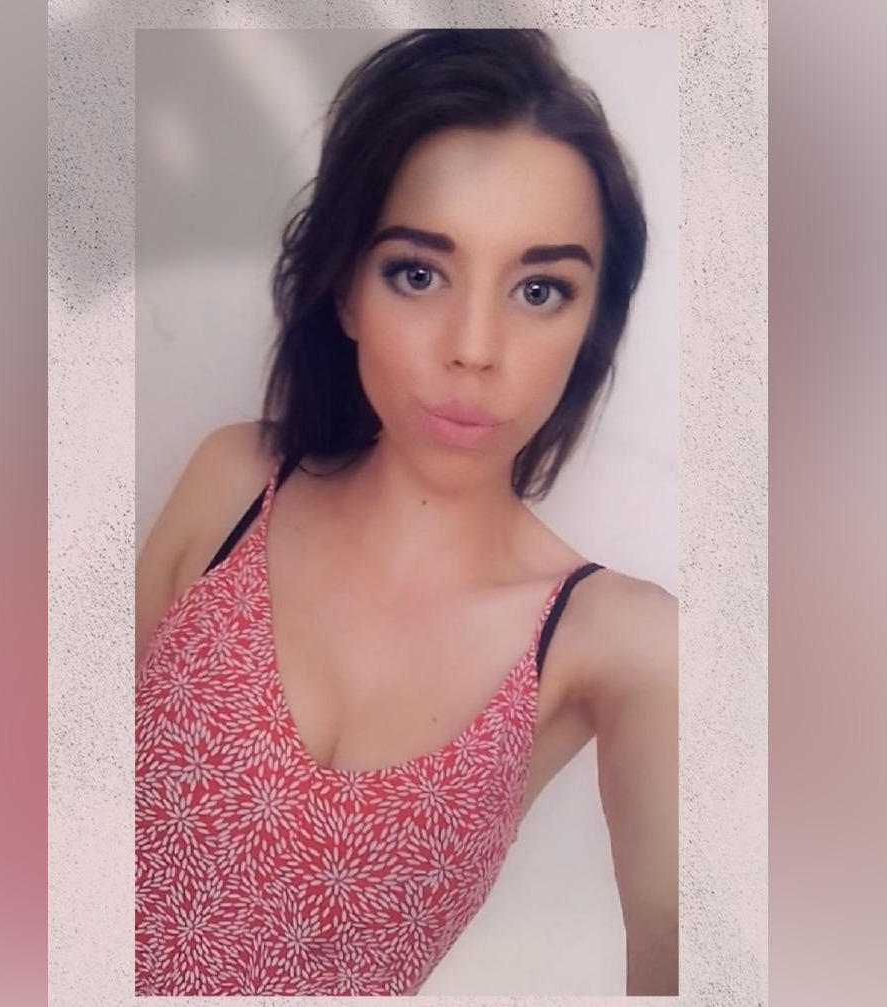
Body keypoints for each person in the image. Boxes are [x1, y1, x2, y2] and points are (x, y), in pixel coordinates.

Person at [135, 29, 677, 996]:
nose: (474, 347)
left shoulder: (621, 643)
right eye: (419, 273)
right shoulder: (231, 481)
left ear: (592, 326)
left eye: (540, 289)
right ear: (346, 288)